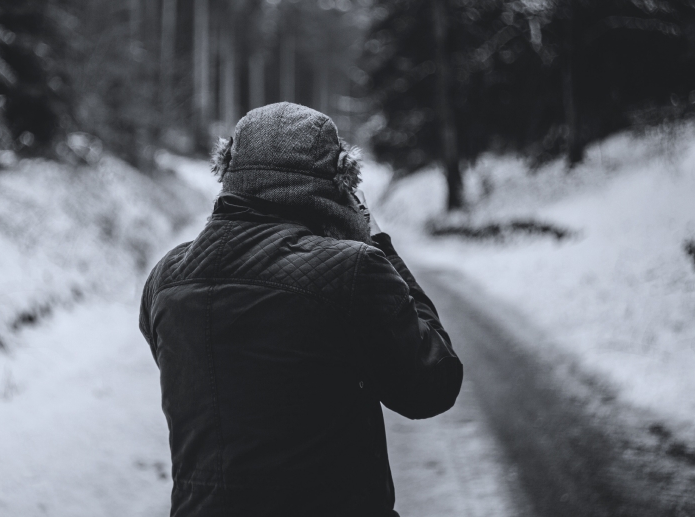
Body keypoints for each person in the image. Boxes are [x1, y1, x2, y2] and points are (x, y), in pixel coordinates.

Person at [139, 102, 463, 517]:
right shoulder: (353, 268)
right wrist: (378, 243)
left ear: (229, 175)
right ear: (339, 186)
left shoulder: (166, 278)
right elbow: (432, 385)